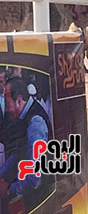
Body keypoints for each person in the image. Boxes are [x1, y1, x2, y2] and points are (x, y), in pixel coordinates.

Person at [0, 77, 53, 210]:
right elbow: (19, 151)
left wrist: (9, 189)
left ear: (19, 100)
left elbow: (35, 177)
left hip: (40, 197)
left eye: (7, 103)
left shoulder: (35, 123)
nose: (6, 109)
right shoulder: (25, 117)